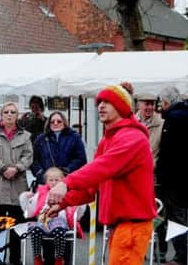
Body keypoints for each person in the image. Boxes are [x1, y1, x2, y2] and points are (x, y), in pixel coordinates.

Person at [47, 84, 157, 265]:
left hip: (131, 225)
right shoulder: (109, 139)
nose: (101, 106)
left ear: (121, 107)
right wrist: (63, 202)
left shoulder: (132, 138)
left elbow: (102, 167)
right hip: (121, 227)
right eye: (99, 102)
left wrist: (66, 183)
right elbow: (93, 186)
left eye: (108, 102)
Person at [0, 101, 33, 265]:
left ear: (17, 115)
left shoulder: (25, 136)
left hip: (18, 189)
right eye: (6, 112)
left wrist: (17, 168)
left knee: (17, 227)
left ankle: (15, 259)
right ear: (1, 115)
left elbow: (28, 156)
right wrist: (4, 168)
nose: (9, 115)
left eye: (12, 112)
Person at [20, 167, 85, 265]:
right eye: (51, 180)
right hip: (44, 220)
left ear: (62, 181)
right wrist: (26, 198)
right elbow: (30, 211)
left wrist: (80, 204)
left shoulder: (66, 193)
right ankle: (37, 257)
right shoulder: (40, 194)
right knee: (34, 229)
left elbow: (77, 209)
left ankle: (59, 257)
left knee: (58, 229)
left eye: (57, 180)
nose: (54, 182)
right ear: (46, 181)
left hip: (60, 220)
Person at [157, 86, 188, 265]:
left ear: (167, 102)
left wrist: (162, 175)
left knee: (176, 219)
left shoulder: (173, 120)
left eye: (162, 102)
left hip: (174, 180)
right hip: (182, 179)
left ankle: (180, 257)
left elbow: (168, 153)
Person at [135, 92, 167, 259]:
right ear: (138, 104)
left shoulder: (161, 123)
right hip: (134, 179)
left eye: (151, 104)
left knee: (158, 215)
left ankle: (160, 248)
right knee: (138, 216)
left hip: (154, 178)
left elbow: (163, 151)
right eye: (145, 103)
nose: (149, 107)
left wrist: (152, 163)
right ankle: (141, 250)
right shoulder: (131, 123)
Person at [30, 111, 87, 185]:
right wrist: (40, 173)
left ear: (64, 122)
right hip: (45, 183)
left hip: (68, 182)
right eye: (52, 122)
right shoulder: (41, 139)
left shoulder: (74, 137)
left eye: (59, 121)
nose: (55, 123)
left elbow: (81, 159)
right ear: (48, 124)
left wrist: (67, 170)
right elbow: (33, 159)